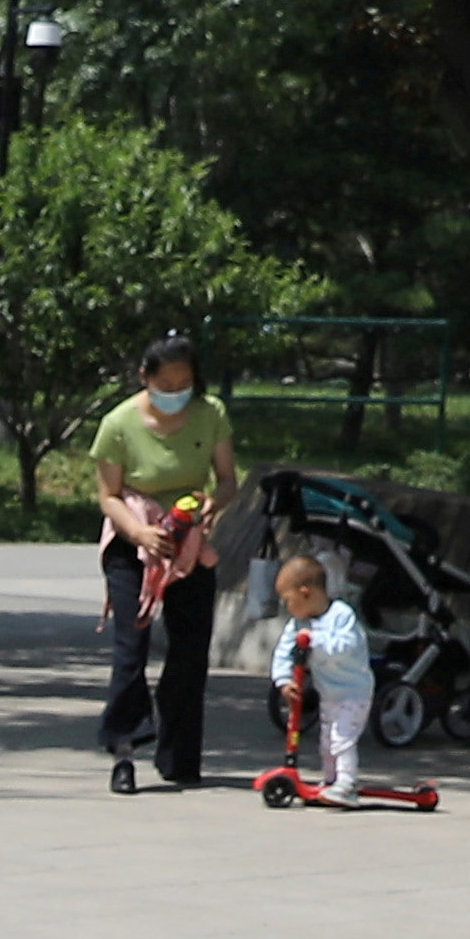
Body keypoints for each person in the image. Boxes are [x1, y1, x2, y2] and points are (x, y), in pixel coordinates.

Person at [86, 334, 233, 794]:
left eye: (184, 382)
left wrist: (213, 504)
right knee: (132, 645)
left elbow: (228, 480)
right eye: (165, 382)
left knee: (191, 650)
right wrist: (139, 533)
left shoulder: (211, 414)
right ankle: (124, 750)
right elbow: (107, 496)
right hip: (135, 537)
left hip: (187, 539)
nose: (175, 390)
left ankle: (180, 755)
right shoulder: (118, 423)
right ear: (144, 378)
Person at [261, 549, 376, 799]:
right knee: (326, 742)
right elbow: (283, 652)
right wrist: (283, 681)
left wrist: (316, 640)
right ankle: (331, 780)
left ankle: (346, 784)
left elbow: (347, 646)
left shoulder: (341, 615)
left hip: (353, 692)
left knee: (342, 738)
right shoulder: (297, 624)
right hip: (329, 693)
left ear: (305, 593)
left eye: (287, 600)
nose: (286, 607)